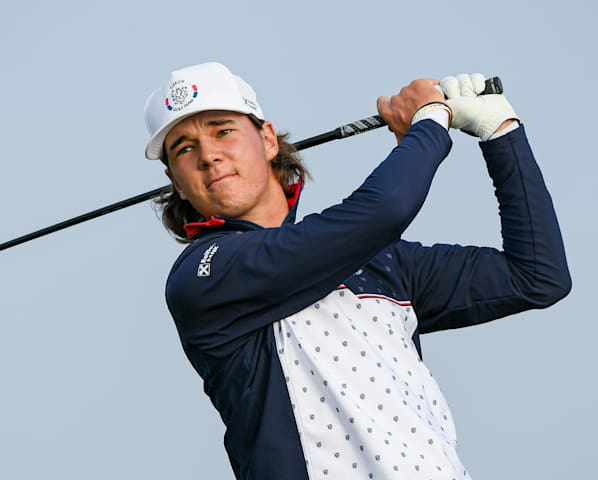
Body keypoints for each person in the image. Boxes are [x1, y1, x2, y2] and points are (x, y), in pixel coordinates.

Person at [142, 62, 571, 480]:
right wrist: (429, 123)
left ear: (267, 139)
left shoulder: (383, 260)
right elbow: (383, 210)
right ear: (175, 180)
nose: (209, 155)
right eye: (184, 148)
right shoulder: (204, 275)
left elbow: (536, 275)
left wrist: (501, 132)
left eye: (223, 130)